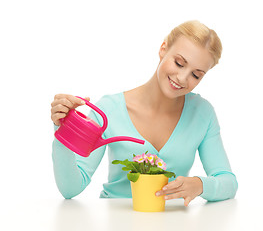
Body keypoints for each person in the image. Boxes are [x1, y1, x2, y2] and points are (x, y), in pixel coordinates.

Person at [51, 20, 238, 206]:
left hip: (174, 223)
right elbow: (70, 189)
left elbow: (228, 182)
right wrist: (64, 134)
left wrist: (200, 185)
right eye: (179, 63)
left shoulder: (202, 114)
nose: (182, 78)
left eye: (196, 75)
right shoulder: (109, 110)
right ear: (163, 49)